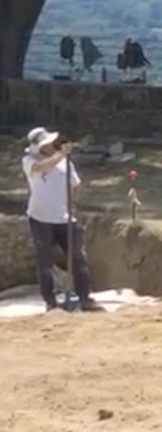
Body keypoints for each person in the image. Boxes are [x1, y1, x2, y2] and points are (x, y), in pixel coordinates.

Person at [21, 127, 104, 312]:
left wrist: (73, 203)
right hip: (40, 218)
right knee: (45, 262)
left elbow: (75, 184)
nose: (51, 145)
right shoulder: (30, 161)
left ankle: (85, 297)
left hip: (65, 218)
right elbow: (42, 167)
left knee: (77, 258)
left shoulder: (65, 163)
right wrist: (61, 154)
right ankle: (51, 302)